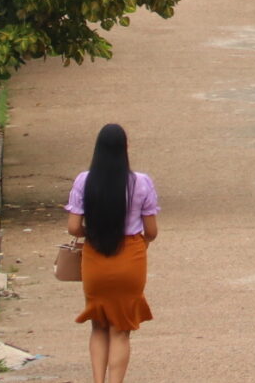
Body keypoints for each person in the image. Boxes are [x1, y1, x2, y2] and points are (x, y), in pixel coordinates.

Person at [68, 123, 160, 383]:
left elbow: (74, 227)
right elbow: (151, 231)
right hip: (130, 257)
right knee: (120, 329)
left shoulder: (83, 181)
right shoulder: (141, 183)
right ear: (125, 149)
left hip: (95, 258)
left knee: (98, 325)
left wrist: (93, 232)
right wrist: (140, 243)